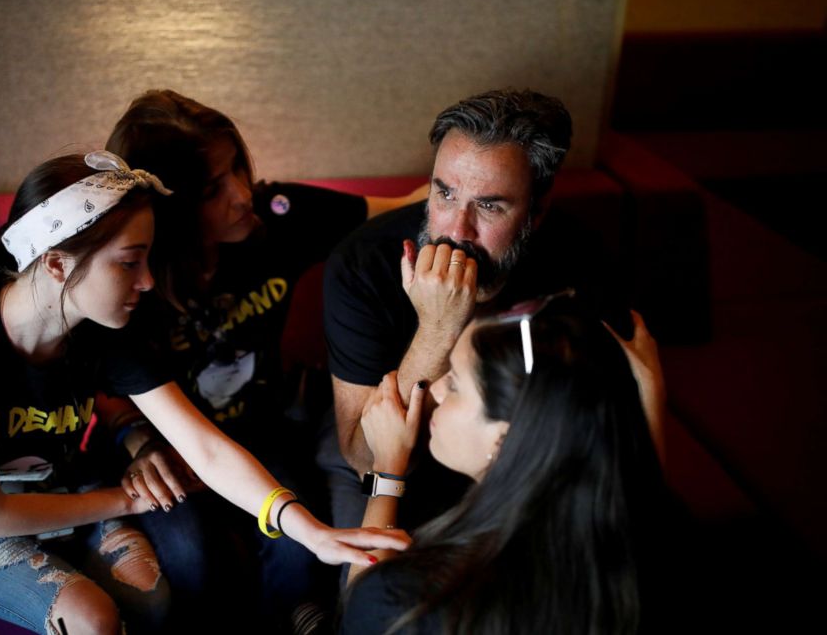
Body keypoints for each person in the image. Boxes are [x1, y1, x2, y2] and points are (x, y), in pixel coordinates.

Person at [0, 151, 408, 635]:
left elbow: (205, 448)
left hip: (63, 496)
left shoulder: (103, 331)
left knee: (153, 597)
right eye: (129, 262)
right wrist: (128, 498)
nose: (150, 282)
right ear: (56, 263)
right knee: (90, 614)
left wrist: (311, 532)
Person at [100, 89, 424, 630]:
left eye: (238, 171)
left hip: (264, 433)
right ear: (171, 209)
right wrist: (138, 439)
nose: (242, 194)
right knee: (190, 558)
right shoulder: (134, 276)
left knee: (301, 562)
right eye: (213, 189)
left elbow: (402, 213)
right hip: (174, 446)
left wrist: (476, 199)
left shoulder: (278, 216)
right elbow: (97, 379)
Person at [319, 88, 641, 537]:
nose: (456, 229)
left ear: (538, 211)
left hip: (512, 461)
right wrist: (437, 330)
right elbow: (364, 457)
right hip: (391, 475)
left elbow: (601, 424)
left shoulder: (579, 258)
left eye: (489, 206)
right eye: (444, 193)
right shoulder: (363, 266)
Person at [339, 294, 670, 634]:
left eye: (454, 383)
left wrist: (386, 470)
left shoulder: (410, 602)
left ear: (505, 439)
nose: (436, 389)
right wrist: (648, 401)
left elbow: (363, 612)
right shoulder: (649, 550)